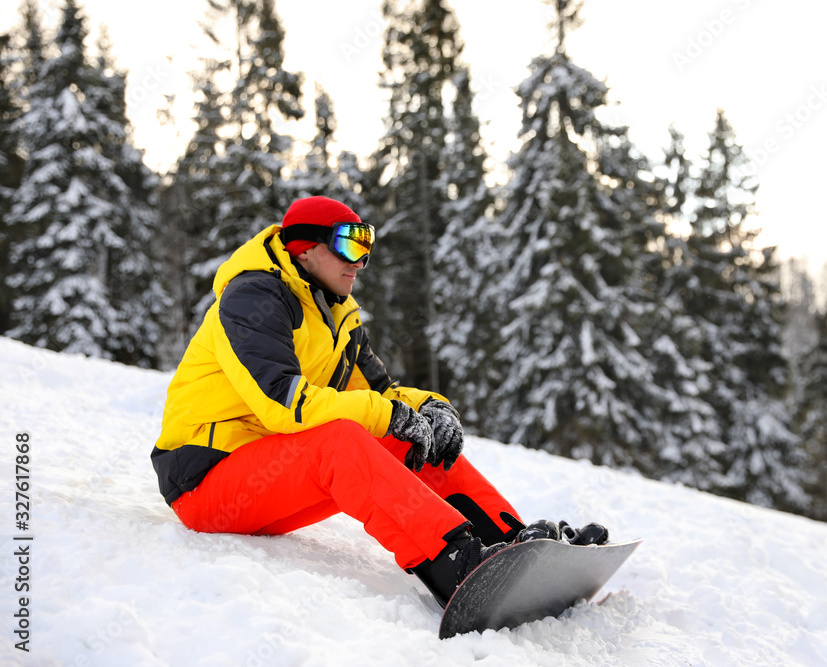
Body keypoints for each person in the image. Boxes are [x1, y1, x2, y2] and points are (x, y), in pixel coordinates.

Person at [151, 196, 607, 607]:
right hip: (206, 479)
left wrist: (430, 407)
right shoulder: (253, 298)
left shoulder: (337, 315)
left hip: (271, 474)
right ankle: (457, 566)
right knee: (342, 439)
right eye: (349, 246)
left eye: (366, 248)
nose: (360, 261)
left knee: (414, 438)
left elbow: (381, 396)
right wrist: (388, 414)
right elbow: (284, 403)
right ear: (305, 249)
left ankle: (514, 545)